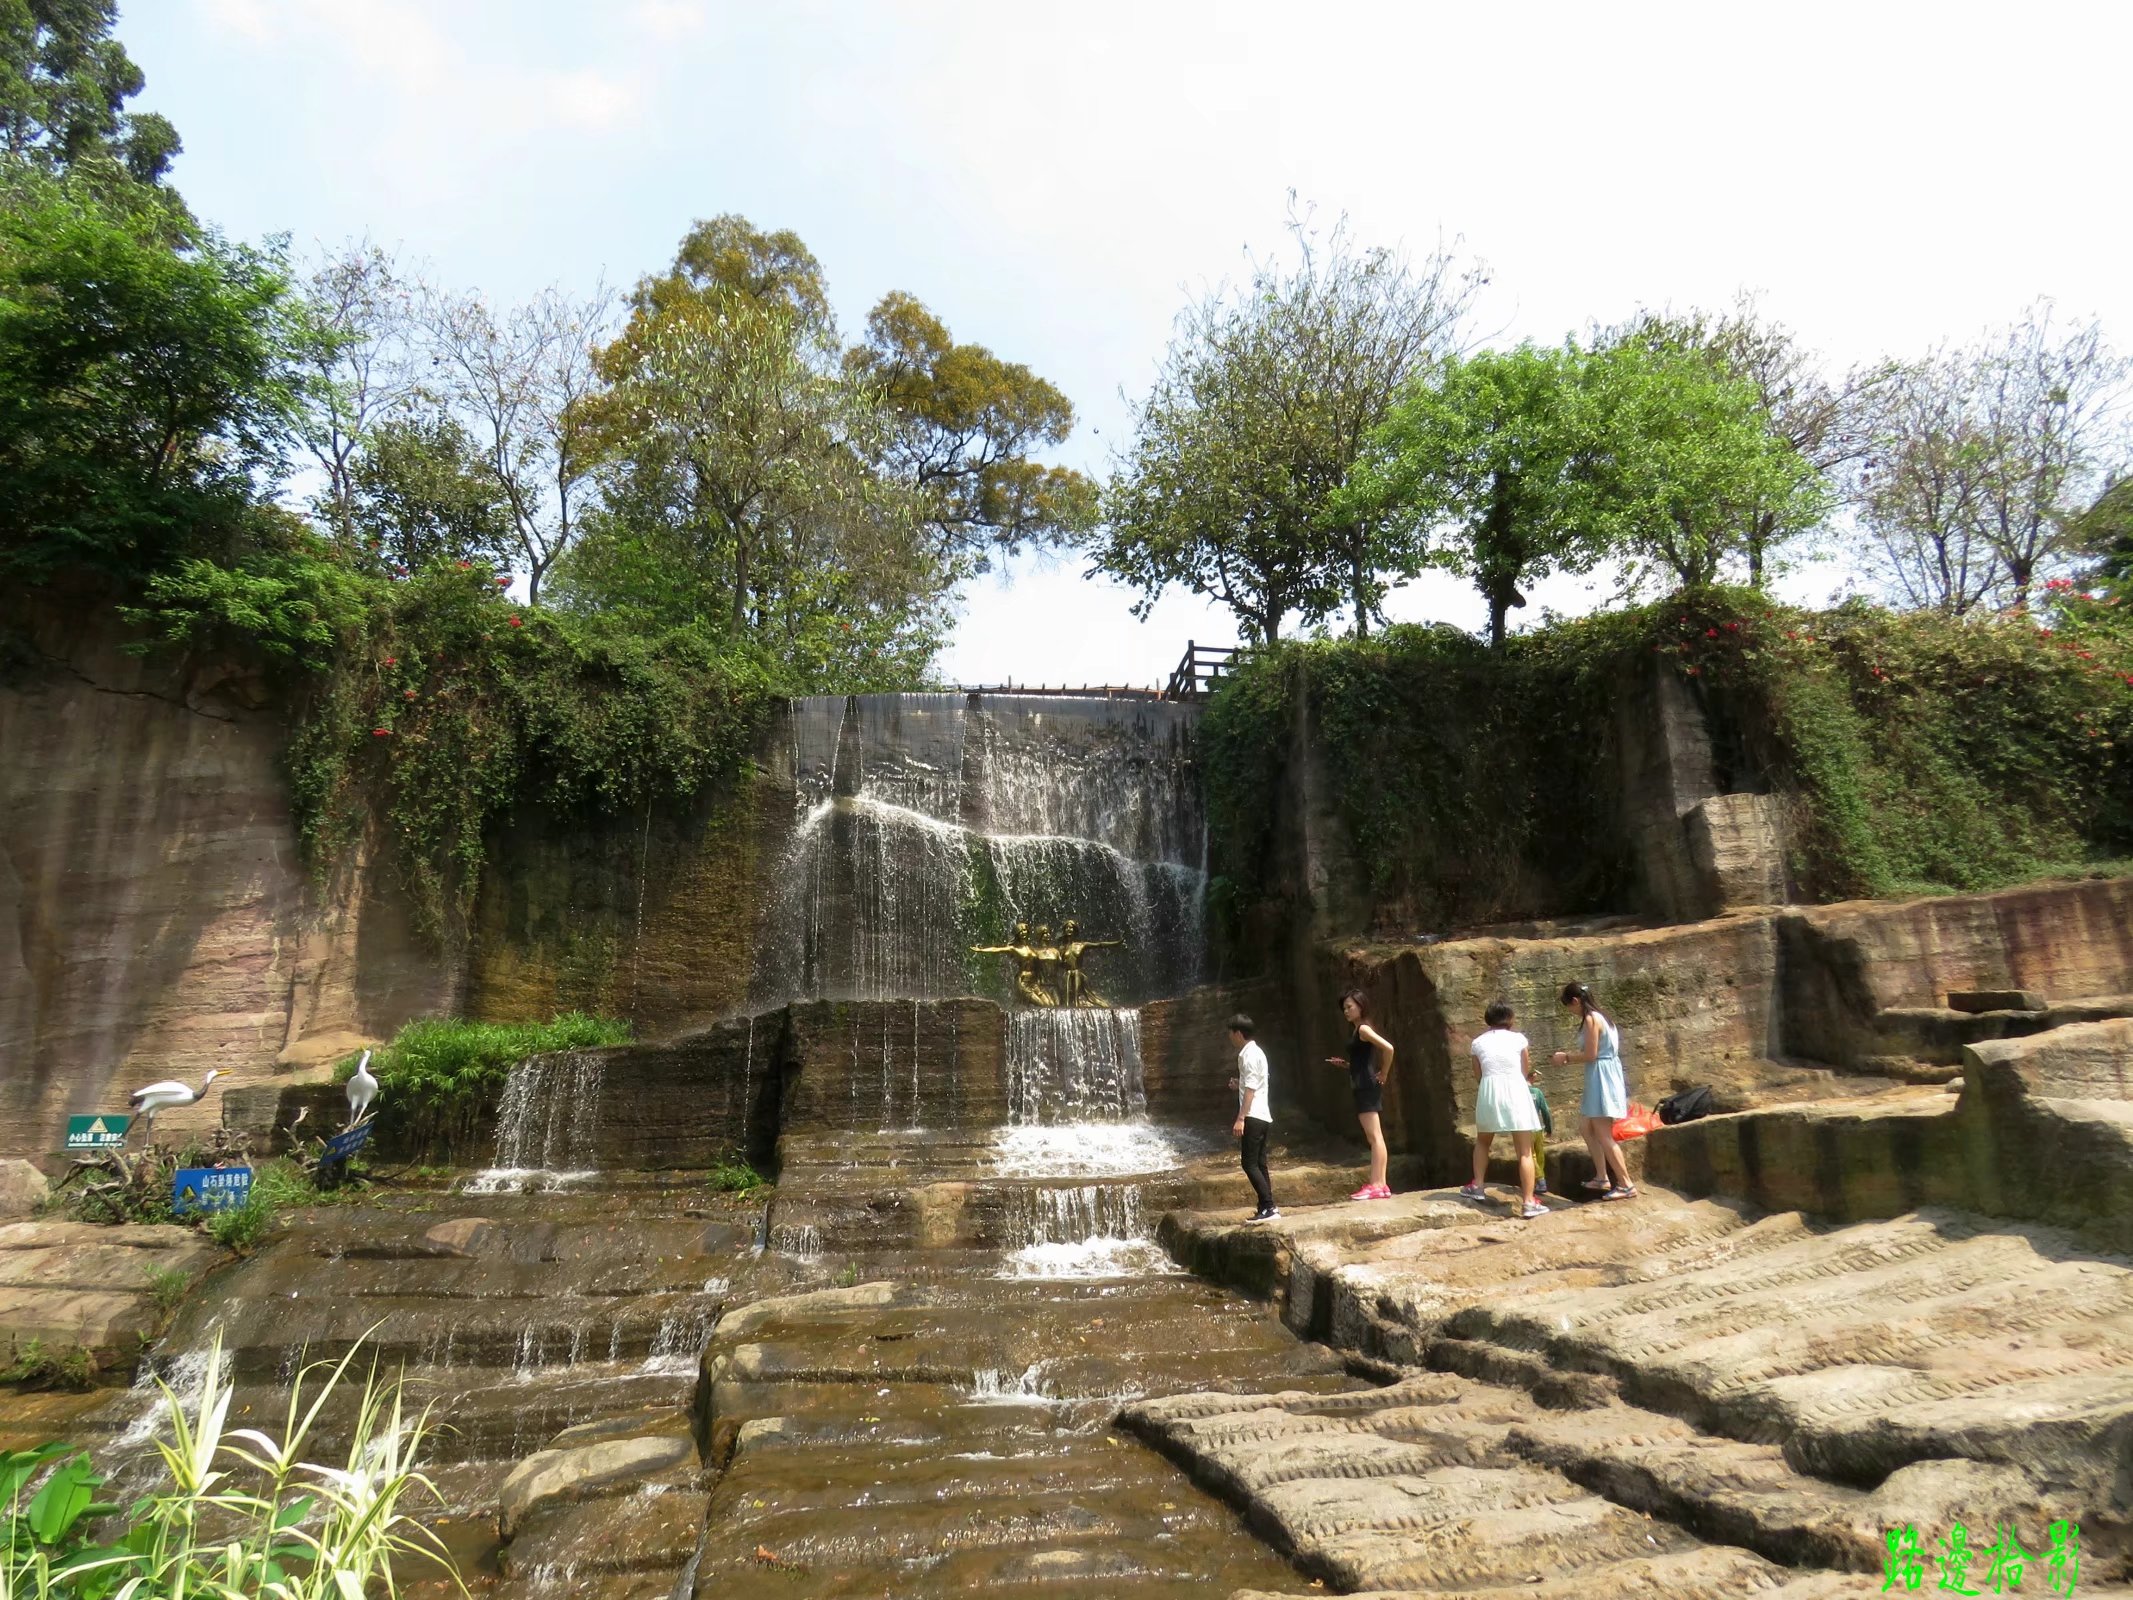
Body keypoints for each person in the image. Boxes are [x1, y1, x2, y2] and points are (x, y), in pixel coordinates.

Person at [1459, 1001, 1545, 1219]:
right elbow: (1525, 1070)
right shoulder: (1519, 1039)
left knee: (1483, 1141)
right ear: (1511, 1019)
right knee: (1524, 1151)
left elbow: (1477, 1074)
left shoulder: (1478, 1043)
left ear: (1488, 1020)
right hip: (1516, 1089)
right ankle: (1528, 1202)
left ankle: (1477, 1185)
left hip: (1489, 1090)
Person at [1552, 981, 1635, 1199]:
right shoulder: (1603, 1016)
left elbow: (1591, 1054)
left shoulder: (1591, 1019)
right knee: (1585, 1126)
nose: (1571, 1012)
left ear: (1576, 1001)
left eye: (1569, 1007)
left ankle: (1626, 1184)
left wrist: (1566, 1057)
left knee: (1603, 1133)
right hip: (1603, 1074)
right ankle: (1601, 1177)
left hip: (1601, 1076)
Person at [1324, 990, 1394, 1201]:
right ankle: (1380, 1185)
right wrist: (1345, 1065)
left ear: (1361, 1006)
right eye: (1344, 1008)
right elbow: (1361, 1063)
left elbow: (1389, 1048)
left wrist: (1384, 1072)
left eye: (1350, 1006)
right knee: (1375, 1136)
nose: (1346, 1011)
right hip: (1363, 1083)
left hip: (1366, 1085)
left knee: (1375, 1137)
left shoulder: (1363, 1028)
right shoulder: (1357, 1030)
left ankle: (1377, 1184)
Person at [1226, 1013, 1278, 1222]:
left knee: (1249, 1163)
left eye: (1230, 1033)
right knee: (1259, 1163)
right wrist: (1238, 1084)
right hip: (1262, 1115)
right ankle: (1265, 1207)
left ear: (1238, 1033)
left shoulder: (1247, 1055)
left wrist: (1241, 1118)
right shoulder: (1258, 1052)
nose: (1229, 1037)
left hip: (1253, 1115)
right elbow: (1255, 1083)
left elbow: (1251, 1088)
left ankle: (1269, 1206)